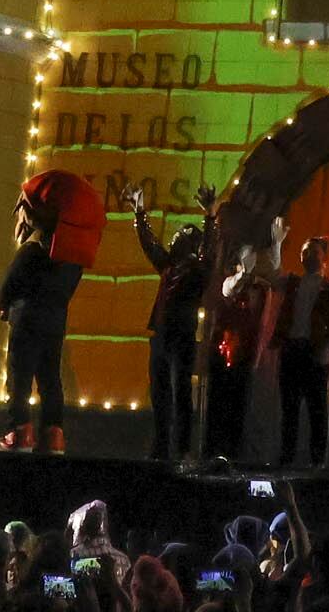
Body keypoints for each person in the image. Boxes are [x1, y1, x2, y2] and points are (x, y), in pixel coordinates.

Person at [0, 169, 96, 454]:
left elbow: (8, 286)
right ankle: (53, 434)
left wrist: (4, 305)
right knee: (50, 379)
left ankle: (18, 432)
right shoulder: (73, 261)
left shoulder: (31, 251)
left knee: (19, 377)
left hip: (26, 319)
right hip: (55, 321)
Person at [125, 183, 216, 466]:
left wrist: (210, 216)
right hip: (162, 335)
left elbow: (210, 251)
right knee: (160, 392)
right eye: (177, 234)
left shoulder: (198, 270)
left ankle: (182, 448)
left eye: (183, 235)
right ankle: (161, 445)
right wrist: (139, 212)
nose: (177, 237)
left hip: (182, 336)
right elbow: (149, 244)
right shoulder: (167, 265)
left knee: (181, 393)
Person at [206, 224, 283, 469]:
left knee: (239, 405)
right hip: (222, 352)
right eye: (243, 256)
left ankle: (235, 455)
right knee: (219, 402)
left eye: (250, 257)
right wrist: (239, 277)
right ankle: (214, 454)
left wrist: (277, 244)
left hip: (246, 354)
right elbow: (228, 290)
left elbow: (274, 274)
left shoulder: (259, 286)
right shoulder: (229, 282)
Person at [278, 233, 329, 470]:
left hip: (314, 350)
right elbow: (271, 274)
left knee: (316, 408)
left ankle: (317, 461)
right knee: (289, 408)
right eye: (305, 251)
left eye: (313, 252)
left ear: (323, 257)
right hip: (292, 350)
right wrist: (277, 243)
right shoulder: (293, 283)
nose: (308, 256)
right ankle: (287, 457)